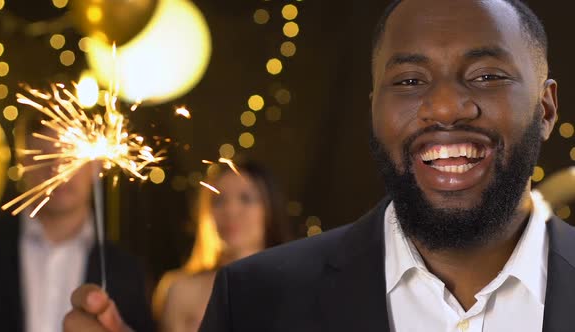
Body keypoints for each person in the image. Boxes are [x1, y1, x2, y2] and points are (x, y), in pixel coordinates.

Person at [63, 0, 573, 331]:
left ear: (547, 109)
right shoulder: (255, 300)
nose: (443, 107)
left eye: (485, 75)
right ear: (373, 109)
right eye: (410, 81)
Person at [0, 112, 154, 332]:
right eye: (43, 156)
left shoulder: (128, 270)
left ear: (97, 164)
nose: (58, 170)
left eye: (70, 157)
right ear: (23, 163)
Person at [152, 160, 293, 331]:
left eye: (246, 199)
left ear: (270, 208)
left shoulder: (295, 289)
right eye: (219, 201)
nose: (230, 210)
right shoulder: (181, 291)